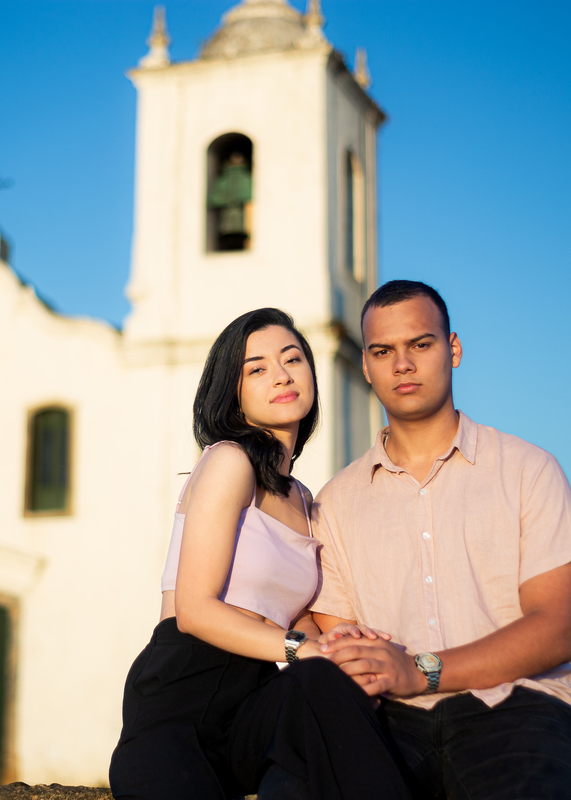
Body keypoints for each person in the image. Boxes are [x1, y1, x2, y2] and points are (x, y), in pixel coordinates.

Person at [310, 280, 571, 799]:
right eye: (383, 351)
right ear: (366, 366)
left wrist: (419, 669)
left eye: (420, 345)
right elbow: (346, 643)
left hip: (517, 707)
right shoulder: (333, 504)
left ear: (453, 350)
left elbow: (557, 629)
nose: (402, 364)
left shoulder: (527, 470)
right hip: (389, 723)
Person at [109, 308, 410, 800]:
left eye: (292, 359)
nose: (282, 375)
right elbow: (195, 611)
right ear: (233, 392)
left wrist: (342, 644)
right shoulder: (228, 461)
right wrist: (306, 649)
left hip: (251, 702)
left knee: (332, 685)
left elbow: (295, 619)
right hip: (179, 700)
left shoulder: (308, 502)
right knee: (315, 675)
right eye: (256, 368)